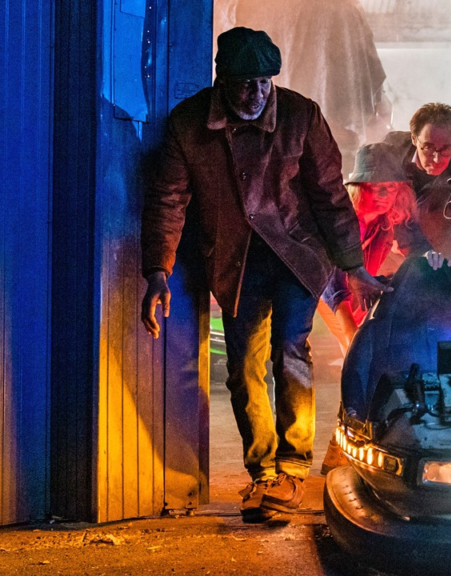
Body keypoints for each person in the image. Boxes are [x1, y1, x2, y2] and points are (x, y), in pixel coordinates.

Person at [140, 27, 387, 523]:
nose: (254, 94)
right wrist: (158, 272)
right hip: (235, 258)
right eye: (243, 84)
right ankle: (263, 473)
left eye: (263, 83)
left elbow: (331, 197)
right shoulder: (190, 124)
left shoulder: (301, 116)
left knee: (290, 350)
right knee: (243, 365)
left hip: (298, 253)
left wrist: (353, 265)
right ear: (221, 81)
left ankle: (292, 469)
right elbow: (169, 200)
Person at [318, 143, 435, 351]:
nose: (384, 193)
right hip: (324, 289)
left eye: (390, 186)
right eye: (375, 185)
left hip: (354, 291)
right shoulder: (345, 220)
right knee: (354, 346)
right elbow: (331, 283)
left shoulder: (383, 226)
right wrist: (351, 336)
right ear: (359, 186)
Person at [378, 103, 451, 263]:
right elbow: (395, 217)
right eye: (428, 147)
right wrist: (421, 252)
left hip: (435, 241)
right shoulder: (392, 152)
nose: (436, 159)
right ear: (414, 139)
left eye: (446, 149)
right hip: (390, 241)